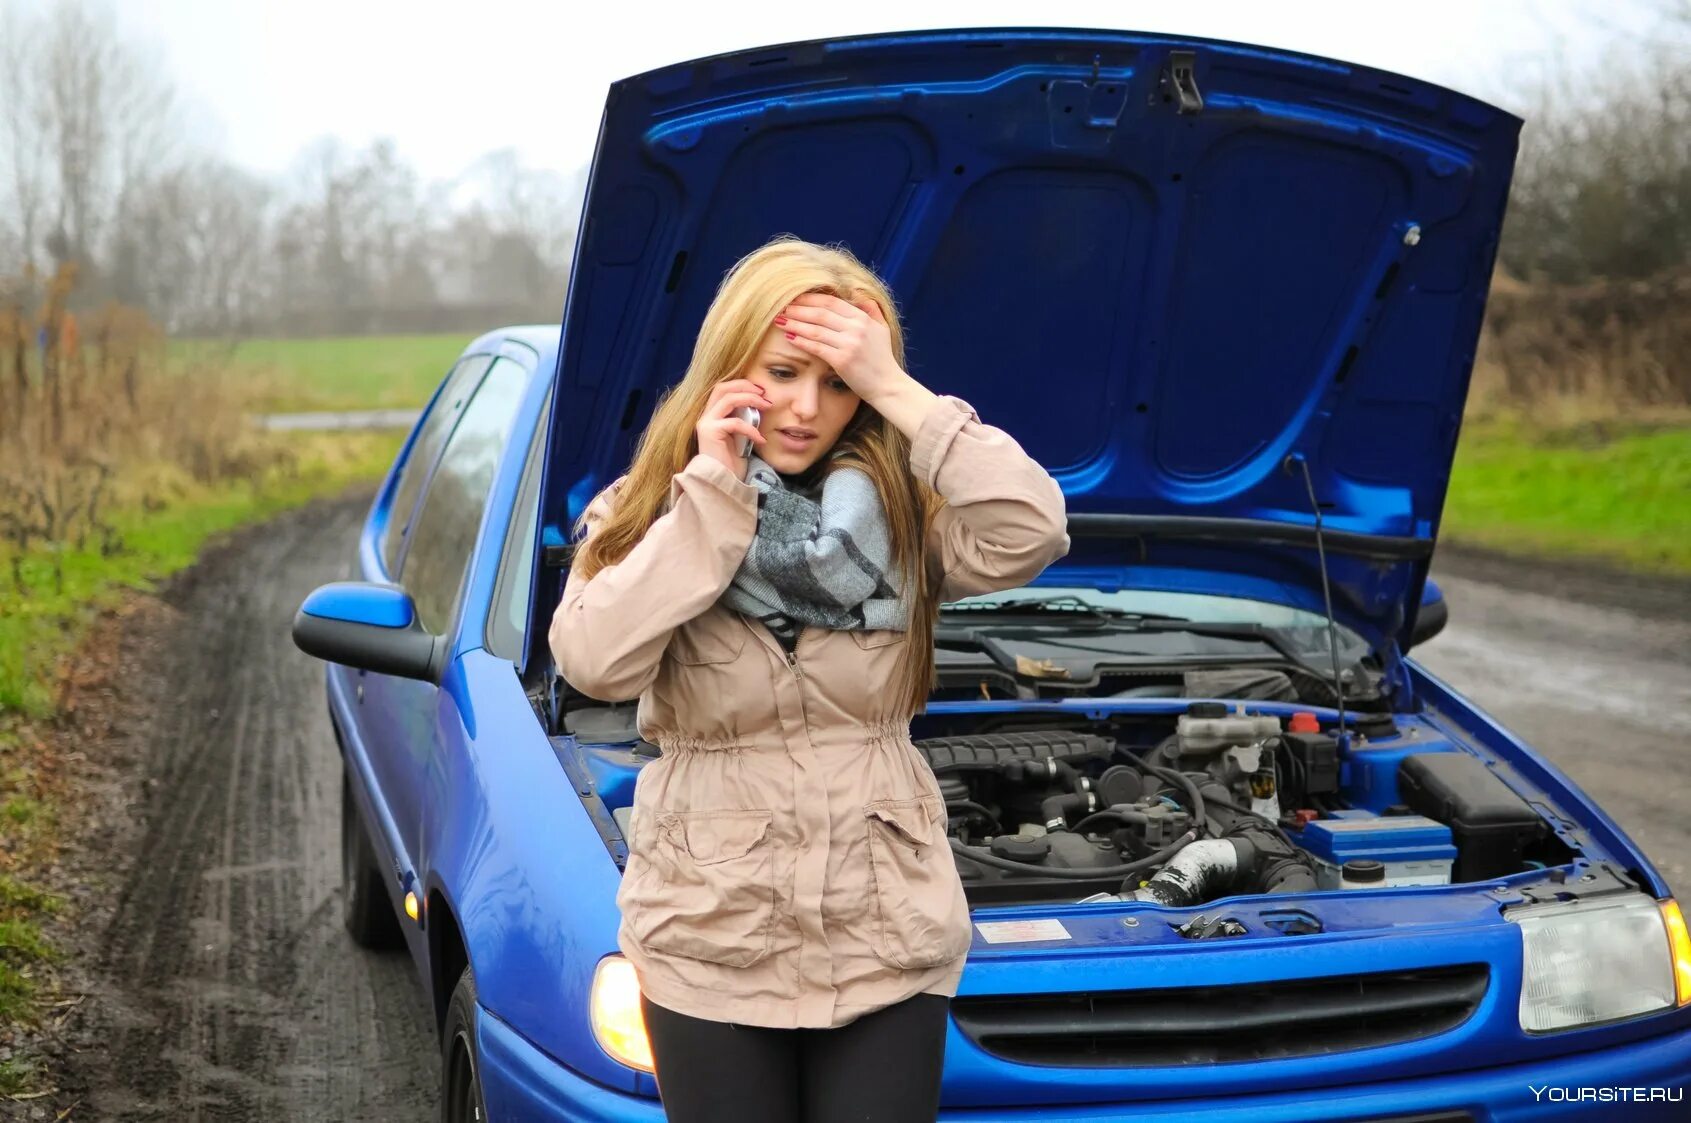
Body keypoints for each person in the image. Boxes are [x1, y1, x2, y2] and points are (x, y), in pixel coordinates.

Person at [549, 234, 1070, 1122]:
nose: (805, 408)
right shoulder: (645, 508)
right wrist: (712, 492)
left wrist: (898, 390)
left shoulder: (907, 511)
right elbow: (594, 663)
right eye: (784, 372)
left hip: (884, 929)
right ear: (729, 367)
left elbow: (1032, 529)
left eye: (837, 384)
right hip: (710, 934)